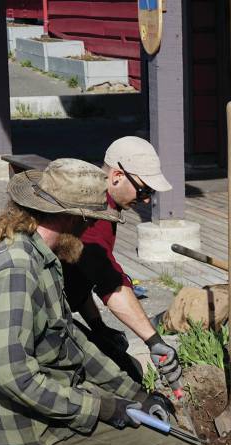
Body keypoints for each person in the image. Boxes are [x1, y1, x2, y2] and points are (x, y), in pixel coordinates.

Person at [0, 158, 201, 445]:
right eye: (88, 219)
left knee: (133, 398)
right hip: (28, 422)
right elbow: (14, 378)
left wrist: (134, 394)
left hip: (46, 396)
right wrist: (103, 407)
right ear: (69, 218)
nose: (91, 228)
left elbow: (71, 341)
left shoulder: (40, 256)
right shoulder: (18, 270)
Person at [61, 136, 180, 389]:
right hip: (39, 319)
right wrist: (154, 341)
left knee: (124, 366)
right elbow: (110, 284)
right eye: (144, 189)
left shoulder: (102, 204)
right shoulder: (91, 216)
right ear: (116, 176)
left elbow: (79, 276)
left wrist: (98, 327)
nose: (146, 199)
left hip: (54, 307)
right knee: (126, 383)